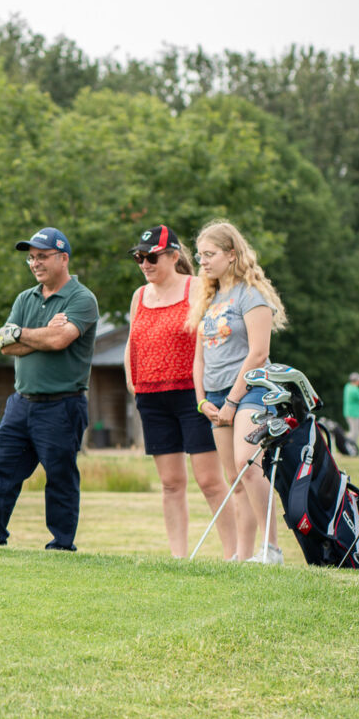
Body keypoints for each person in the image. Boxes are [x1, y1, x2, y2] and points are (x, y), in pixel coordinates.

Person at [0, 227, 98, 551]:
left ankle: (61, 545)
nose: (35, 263)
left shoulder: (82, 299)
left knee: (59, 475)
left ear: (63, 258)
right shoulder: (25, 298)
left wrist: (23, 334)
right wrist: (40, 333)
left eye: (42, 256)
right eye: (31, 258)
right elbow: (4, 344)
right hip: (21, 402)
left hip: (62, 403)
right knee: (4, 469)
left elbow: (60, 340)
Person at [124, 225, 236, 560]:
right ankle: (178, 557)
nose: (144, 263)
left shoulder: (197, 288)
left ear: (174, 256)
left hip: (192, 396)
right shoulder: (139, 296)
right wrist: (134, 384)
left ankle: (235, 554)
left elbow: (215, 339)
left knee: (209, 481)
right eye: (139, 257)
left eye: (151, 256)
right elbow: (133, 341)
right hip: (151, 398)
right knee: (171, 483)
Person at [189, 220, 288, 564]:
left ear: (231, 254)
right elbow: (199, 358)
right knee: (234, 478)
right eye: (200, 255)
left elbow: (258, 353)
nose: (202, 262)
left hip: (252, 392)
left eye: (210, 254)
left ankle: (271, 549)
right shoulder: (209, 297)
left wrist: (232, 401)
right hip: (214, 398)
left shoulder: (251, 295)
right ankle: (243, 557)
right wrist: (203, 401)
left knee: (248, 464)